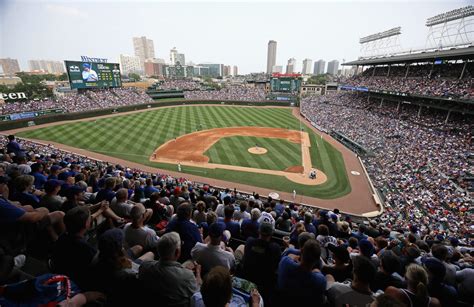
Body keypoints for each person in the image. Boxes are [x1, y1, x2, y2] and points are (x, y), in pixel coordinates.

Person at [138, 232, 201, 306]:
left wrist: (182, 269)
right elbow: (197, 294)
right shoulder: (187, 276)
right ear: (177, 252)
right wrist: (198, 273)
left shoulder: (145, 267)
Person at [277, 239, 326, 306]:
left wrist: (294, 259)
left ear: (301, 251)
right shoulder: (320, 281)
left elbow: (288, 255)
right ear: (317, 260)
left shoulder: (285, 262)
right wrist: (316, 271)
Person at [190, 266, 261, 307]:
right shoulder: (239, 304)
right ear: (229, 297)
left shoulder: (196, 298)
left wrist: (198, 273)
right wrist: (255, 303)